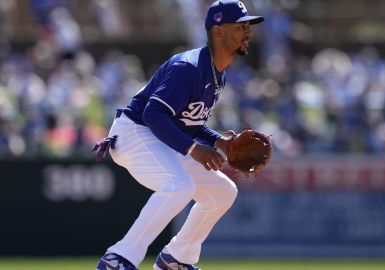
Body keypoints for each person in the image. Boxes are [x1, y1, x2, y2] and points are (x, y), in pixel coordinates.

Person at [93, 1, 264, 269]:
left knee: (223, 191)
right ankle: (119, 258)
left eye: (248, 26)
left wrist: (218, 141)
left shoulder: (219, 73)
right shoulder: (189, 67)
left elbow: (186, 122)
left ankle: (176, 259)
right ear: (218, 31)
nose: (248, 31)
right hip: (135, 133)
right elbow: (154, 114)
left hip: (160, 137)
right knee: (179, 185)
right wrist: (193, 149)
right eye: (240, 26)